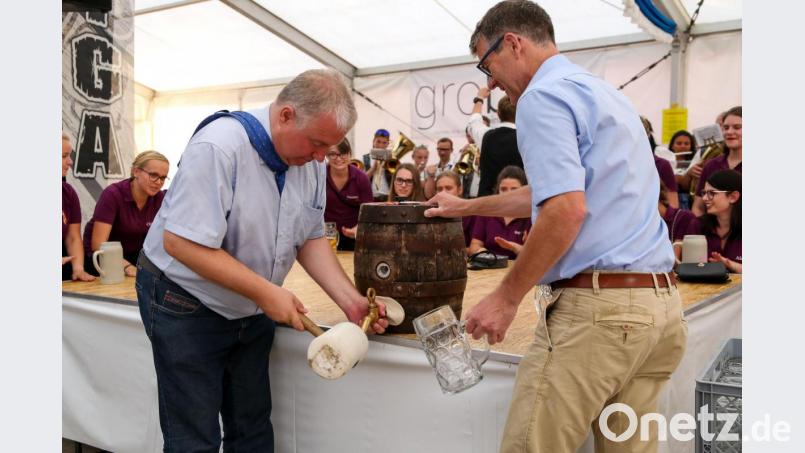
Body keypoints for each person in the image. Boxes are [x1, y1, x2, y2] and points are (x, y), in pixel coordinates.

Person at [426, 2, 684, 451]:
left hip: (601, 314)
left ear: (513, 43)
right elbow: (551, 191)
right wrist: (465, 207)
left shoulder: (542, 97)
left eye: (486, 64)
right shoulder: (605, 94)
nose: (489, 81)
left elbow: (565, 208)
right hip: (658, 309)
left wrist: (506, 298)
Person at [136, 69, 388, 452]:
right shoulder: (219, 147)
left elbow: (309, 234)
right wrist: (266, 293)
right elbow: (181, 243)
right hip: (185, 300)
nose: (322, 158)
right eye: (317, 144)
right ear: (286, 115)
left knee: (251, 429)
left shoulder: (312, 160)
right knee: (194, 437)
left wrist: (351, 301)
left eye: (330, 148)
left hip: (251, 303)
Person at [84, 151, 169, 277]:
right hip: (101, 260)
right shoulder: (113, 194)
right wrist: (127, 267)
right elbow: (98, 245)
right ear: (136, 172)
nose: (158, 182)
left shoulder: (160, 198)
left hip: (135, 259)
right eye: (153, 175)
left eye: (163, 177)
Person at [683, 170, 742, 273]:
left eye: (711, 193)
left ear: (733, 197)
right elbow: (690, 269)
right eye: (704, 193)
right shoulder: (697, 225)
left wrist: (728, 264)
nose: (705, 198)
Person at [468, 166, 531, 259]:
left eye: (514, 189)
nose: (508, 194)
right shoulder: (487, 213)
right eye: (503, 189)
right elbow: (474, 246)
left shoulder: (532, 217)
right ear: (498, 190)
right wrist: (485, 254)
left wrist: (516, 248)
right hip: (489, 268)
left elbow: (538, 256)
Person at [469, 88, 523, 197]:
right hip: (518, 204)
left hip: (487, 204)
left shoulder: (486, 135)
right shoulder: (527, 138)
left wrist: (479, 98)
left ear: (498, 114)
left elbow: (474, 121)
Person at [324, 138, 373, 251]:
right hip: (325, 238)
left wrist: (358, 229)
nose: (339, 158)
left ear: (350, 154)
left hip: (354, 238)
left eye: (343, 153)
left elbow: (368, 211)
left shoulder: (361, 178)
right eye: (333, 154)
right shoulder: (320, 176)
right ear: (326, 155)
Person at [692, 106, 742, 216]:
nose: (729, 132)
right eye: (726, 127)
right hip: (712, 230)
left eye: (737, 127)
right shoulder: (712, 165)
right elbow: (698, 207)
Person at [62, 133, 95, 282]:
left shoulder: (68, 193)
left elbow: (73, 236)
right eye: (64, 156)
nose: (70, 162)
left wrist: (78, 269)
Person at [434, 170, 476, 249]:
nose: (443, 193)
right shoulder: (432, 213)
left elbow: (474, 247)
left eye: (448, 188)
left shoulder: (471, 214)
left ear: (460, 190)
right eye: (439, 189)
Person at [669, 130, 697, 209]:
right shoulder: (666, 162)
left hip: (689, 202)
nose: (682, 146)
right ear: (672, 146)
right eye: (679, 143)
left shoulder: (695, 162)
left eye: (686, 144)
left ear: (691, 146)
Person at [364, 128, 393, 201]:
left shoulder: (392, 159)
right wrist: (373, 168)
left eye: (384, 143)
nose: (381, 145)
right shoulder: (365, 159)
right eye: (378, 142)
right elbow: (361, 180)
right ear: (373, 141)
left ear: (388, 144)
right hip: (370, 197)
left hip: (387, 198)